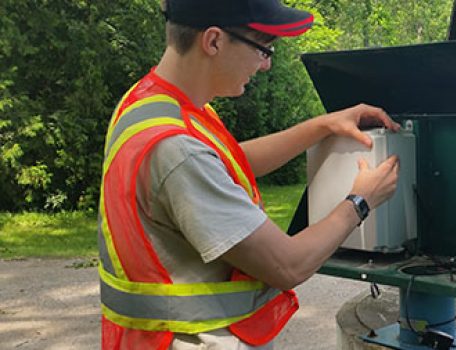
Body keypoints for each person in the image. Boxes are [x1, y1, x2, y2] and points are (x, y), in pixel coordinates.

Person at [97, 0, 401, 348]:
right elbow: (288, 265)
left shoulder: (152, 105)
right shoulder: (177, 148)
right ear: (213, 41)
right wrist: (361, 200)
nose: (266, 65)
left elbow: (225, 162)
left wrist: (322, 125)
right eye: (263, 48)